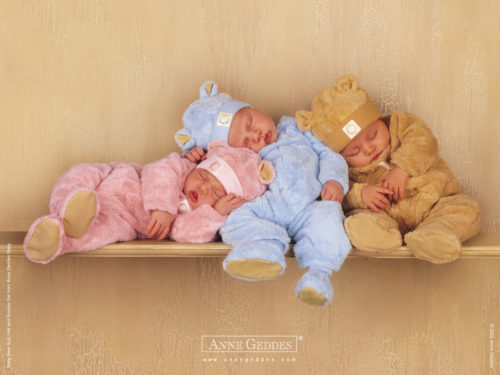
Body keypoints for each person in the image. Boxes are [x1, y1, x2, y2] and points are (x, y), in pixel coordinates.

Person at [175, 81, 351, 307]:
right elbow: (211, 170)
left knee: (329, 218)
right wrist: (192, 154)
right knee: (234, 221)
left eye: (250, 122)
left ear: (251, 107)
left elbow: (330, 155)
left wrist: (334, 180)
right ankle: (263, 249)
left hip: (311, 205)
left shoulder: (298, 128)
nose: (257, 135)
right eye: (247, 142)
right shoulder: (248, 162)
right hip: (270, 208)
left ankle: (318, 275)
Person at [295, 74, 481, 263]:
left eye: (373, 135)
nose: (369, 149)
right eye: (355, 152)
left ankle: (435, 233)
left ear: (380, 121)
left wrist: (402, 169)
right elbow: (338, 193)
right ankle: (380, 235)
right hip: (386, 216)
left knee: (466, 207)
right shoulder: (340, 169)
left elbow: (423, 140)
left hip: (434, 202)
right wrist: (362, 194)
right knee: (359, 217)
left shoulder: (400, 126)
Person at [23, 141, 273, 264]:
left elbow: (186, 234)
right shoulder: (181, 167)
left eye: (216, 194)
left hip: (124, 219)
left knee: (100, 233)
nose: (205, 188)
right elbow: (158, 171)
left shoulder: (190, 217)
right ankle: (65, 208)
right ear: (198, 167)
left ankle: (56, 237)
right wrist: (163, 208)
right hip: (115, 178)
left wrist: (214, 214)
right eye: (205, 176)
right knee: (79, 176)